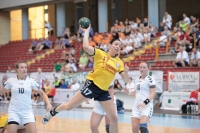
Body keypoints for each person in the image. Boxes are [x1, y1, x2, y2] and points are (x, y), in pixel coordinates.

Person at [42, 25, 129, 133]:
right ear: (110, 45)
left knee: (114, 119)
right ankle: (52, 112)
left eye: (120, 46)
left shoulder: (119, 63)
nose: (118, 47)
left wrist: (126, 73)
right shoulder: (100, 53)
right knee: (69, 106)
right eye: (116, 44)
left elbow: (125, 81)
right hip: (92, 86)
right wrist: (86, 31)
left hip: (103, 91)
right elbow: (85, 47)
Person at [0, 61, 52, 133]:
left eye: (25, 67)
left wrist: (48, 103)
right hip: (14, 112)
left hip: (27, 112)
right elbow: (1, 91)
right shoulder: (11, 81)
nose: (24, 69)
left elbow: (42, 93)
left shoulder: (31, 81)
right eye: (22, 67)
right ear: (17, 70)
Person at [131, 62, 156, 133]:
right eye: (140, 67)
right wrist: (128, 92)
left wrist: (144, 103)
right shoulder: (136, 80)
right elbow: (135, 94)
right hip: (137, 106)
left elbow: (153, 93)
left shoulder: (150, 79)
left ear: (148, 68)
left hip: (146, 106)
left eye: (144, 67)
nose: (142, 69)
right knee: (134, 129)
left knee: (142, 127)